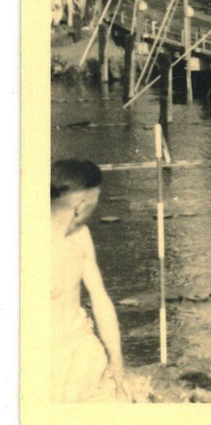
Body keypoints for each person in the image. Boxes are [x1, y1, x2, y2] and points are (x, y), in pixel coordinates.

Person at [51, 160, 127, 402]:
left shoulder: (81, 236)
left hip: (82, 345)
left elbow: (99, 297)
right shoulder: (27, 241)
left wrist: (116, 358)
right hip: (43, 353)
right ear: (81, 205)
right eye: (96, 199)